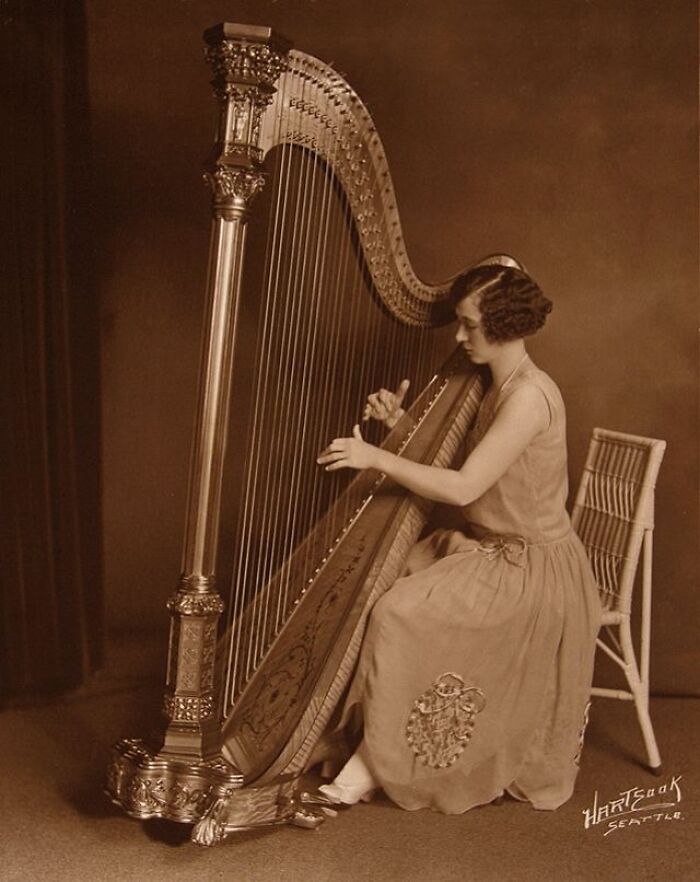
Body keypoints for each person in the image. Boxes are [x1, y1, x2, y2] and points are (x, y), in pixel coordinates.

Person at [315, 263, 602, 814]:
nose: (459, 336)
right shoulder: (498, 385)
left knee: (398, 614)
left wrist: (376, 456)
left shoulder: (528, 398)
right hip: (485, 548)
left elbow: (466, 485)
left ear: (504, 325)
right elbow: (479, 479)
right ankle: (368, 737)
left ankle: (377, 763)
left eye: (469, 325)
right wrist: (401, 425)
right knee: (381, 577)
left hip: (530, 571)